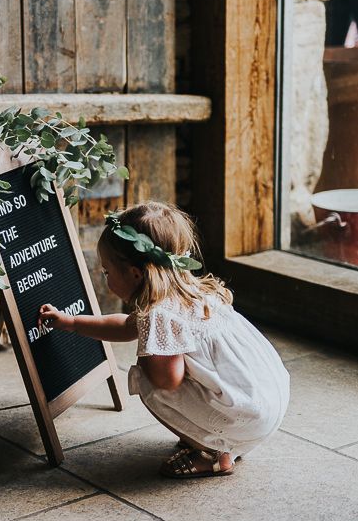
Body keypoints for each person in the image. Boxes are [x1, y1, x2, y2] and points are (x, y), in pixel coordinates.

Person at [38, 202, 290, 478]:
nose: (106, 277)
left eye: (107, 272)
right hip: (266, 404)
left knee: (146, 381)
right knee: (158, 370)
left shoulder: (159, 314)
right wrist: (72, 322)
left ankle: (214, 454)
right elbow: (126, 326)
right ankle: (211, 433)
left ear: (135, 274)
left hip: (245, 419)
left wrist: (147, 353)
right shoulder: (190, 291)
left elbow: (167, 381)